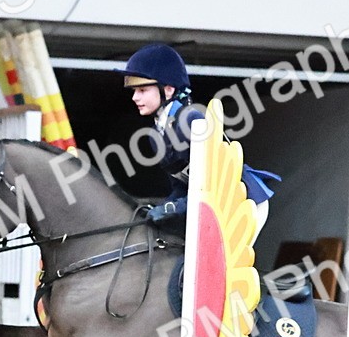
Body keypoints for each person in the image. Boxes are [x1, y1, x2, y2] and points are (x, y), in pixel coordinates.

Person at [118, 43, 279, 234]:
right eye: (134, 91)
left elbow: (212, 184)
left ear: (168, 90)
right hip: (211, 204)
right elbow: (181, 185)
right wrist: (163, 206)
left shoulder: (192, 120)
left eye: (142, 90)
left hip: (242, 201)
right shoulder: (156, 135)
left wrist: (174, 207)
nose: (134, 98)